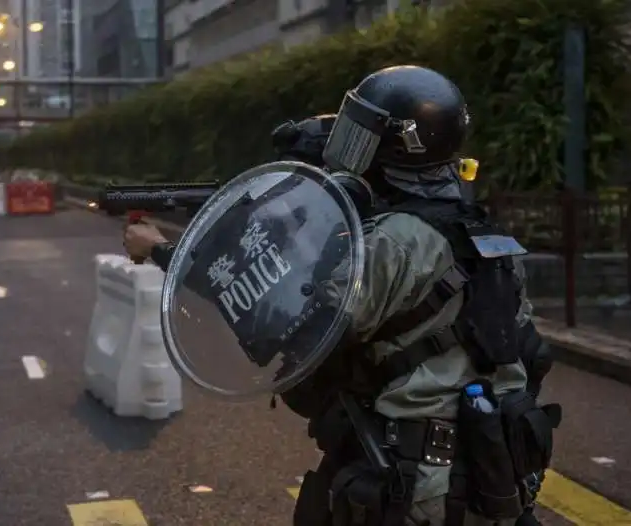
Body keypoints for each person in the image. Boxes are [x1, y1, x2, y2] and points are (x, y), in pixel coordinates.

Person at [124, 65, 559, 526]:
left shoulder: (392, 243)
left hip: (415, 486)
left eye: (360, 135)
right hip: (487, 475)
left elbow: (278, 320)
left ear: (392, 148)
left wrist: (164, 252)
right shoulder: (483, 234)